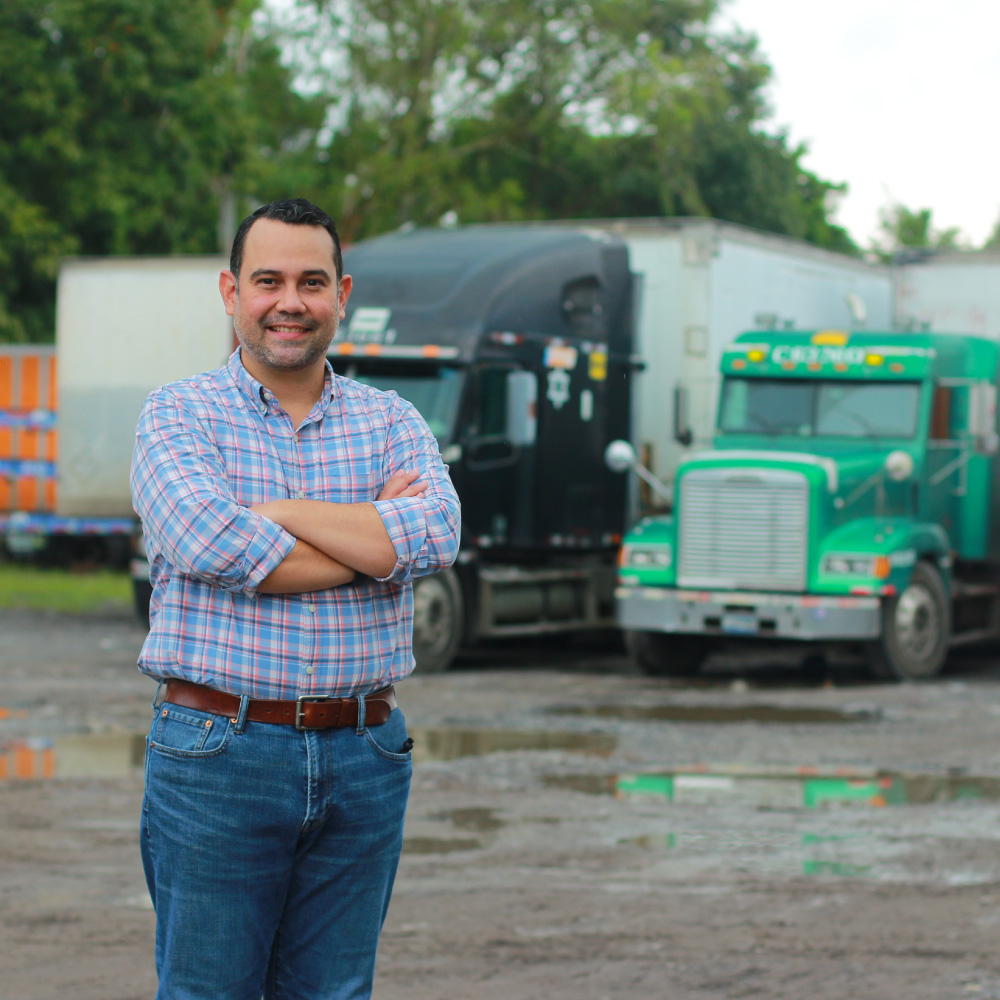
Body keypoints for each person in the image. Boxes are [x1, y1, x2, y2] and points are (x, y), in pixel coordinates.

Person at [130, 197, 461, 1000]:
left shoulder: (392, 420)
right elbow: (210, 543)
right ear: (230, 291)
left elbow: (435, 534)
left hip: (366, 754)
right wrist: (368, 545)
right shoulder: (179, 414)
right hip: (218, 750)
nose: (290, 302)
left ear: (341, 293)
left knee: (335, 994)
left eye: (312, 282)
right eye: (268, 280)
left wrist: (277, 515)